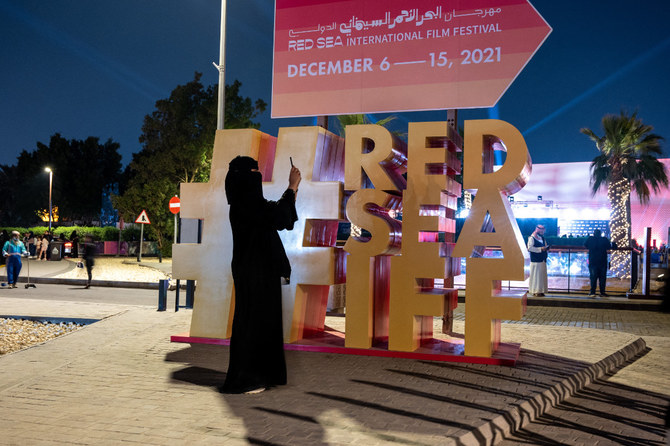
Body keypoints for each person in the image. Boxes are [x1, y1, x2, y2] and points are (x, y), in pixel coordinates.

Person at [219, 156, 301, 395]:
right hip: (254, 271)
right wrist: (292, 187)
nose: (258, 176)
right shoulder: (247, 204)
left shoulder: (247, 203)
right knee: (252, 323)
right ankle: (245, 378)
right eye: (255, 171)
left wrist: (292, 189)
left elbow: (278, 215)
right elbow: (279, 217)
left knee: (264, 322)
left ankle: (261, 375)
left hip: (258, 270)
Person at [584, 229, 612, 297]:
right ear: (600, 234)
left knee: (593, 277)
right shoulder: (604, 239)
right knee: (602, 278)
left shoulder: (590, 239)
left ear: (594, 233)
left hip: (593, 261)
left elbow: (585, 245)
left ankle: (592, 292)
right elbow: (609, 246)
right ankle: (602, 292)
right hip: (602, 261)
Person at [527, 224, 549, 297]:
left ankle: (541, 290)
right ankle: (536, 291)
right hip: (535, 261)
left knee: (541, 276)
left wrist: (545, 249)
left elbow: (544, 246)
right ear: (537, 229)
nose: (543, 231)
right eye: (541, 229)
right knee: (536, 276)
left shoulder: (542, 238)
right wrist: (540, 249)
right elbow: (529, 248)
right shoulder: (531, 238)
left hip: (542, 260)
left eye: (543, 229)